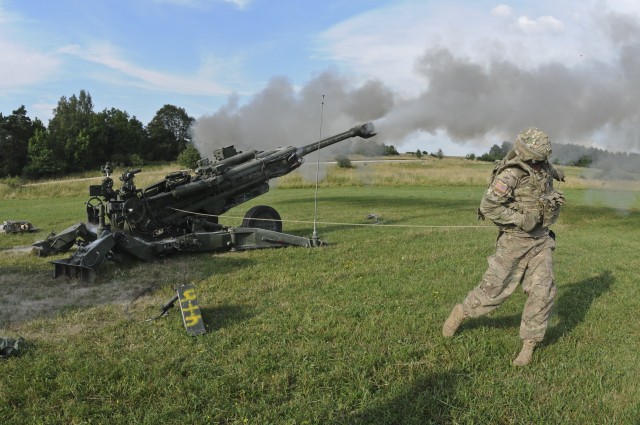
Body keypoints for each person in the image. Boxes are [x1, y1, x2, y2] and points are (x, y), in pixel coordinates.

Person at [442, 128, 565, 366]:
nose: (543, 161)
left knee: (543, 291)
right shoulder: (510, 175)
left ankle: (529, 344)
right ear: (528, 153)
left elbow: (546, 175)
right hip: (514, 242)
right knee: (494, 291)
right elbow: (488, 207)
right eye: (539, 156)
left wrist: (557, 174)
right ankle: (462, 312)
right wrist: (521, 219)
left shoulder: (542, 167)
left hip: (541, 241)